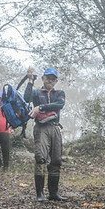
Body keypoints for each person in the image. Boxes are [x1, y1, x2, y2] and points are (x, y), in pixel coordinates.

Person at [24, 67, 66, 201]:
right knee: (40, 158)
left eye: (53, 79)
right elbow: (26, 98)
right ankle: (40, 194)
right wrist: (30, 81)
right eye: (48, 78)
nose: (50, 81)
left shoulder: (59, 93)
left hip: (55, 127)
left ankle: (53, 193)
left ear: (56, 80)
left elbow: (59, 105)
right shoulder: (36, 93)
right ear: (43, 78)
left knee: (56, 160)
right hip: (41, 128)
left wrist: (40, 108)